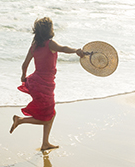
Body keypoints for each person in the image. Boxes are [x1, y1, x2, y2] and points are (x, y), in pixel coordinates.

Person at [10, 17, 85, 151]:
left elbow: (24, 64)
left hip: (35, 81)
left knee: (50, 113)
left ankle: (45, 143)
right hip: (44, 85)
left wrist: (23, 77)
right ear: (49, 30)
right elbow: (64, 48)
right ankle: (20, 120)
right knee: (48, 116)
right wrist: (76, 51)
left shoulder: (34, 46)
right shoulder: (50, 44)